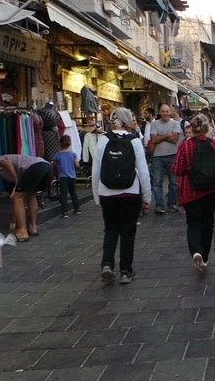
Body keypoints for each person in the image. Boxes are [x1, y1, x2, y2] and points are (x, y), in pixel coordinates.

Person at [91, 107, 151, 284]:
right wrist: (147, 197)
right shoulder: (134, 141)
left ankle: (107, 264)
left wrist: (97, 196)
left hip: (107, 193)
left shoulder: (103, 140)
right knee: (128, 231)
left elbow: (96, 170)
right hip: (130, 192)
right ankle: (125, 271)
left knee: (110, 229)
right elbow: (143, 170)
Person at [172, 113, 215, 273]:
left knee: (193, 223)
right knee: (207, 223)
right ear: (208, 128)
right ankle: (204, 259)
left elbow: (178, 170)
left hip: (192, 191)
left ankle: (196, 252)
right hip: (214, 192)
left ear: (192, 128)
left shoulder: (185, 146)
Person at [0, 154, 53, 242]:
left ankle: (22, 231)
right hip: (47, 167)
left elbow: (8, 164)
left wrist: (16, 183)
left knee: (17, 197)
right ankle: (33, 227)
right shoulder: (18, 167)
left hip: (37, 167)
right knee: (31, 195)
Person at [149, 103, 181, 214]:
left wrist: (160, 137)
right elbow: (153, 140)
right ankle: (159, 205)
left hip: (172, 155)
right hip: (158, 156)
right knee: (157, 182)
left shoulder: (175, 124)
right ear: (159, 112)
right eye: (163, 111)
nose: (165, 113)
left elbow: (175, 140)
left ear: (170, 112)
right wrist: (167, 135)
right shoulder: (154, 124)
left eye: (167, 111)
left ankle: (172, 204)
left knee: (174, 182)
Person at [52, 135, 81, 219]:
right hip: (72, 176)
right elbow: (77, 164)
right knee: (73, 193)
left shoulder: (57, 155)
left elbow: (53, 164)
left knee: (63, 194)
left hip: (62, 176)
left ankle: (65, 212)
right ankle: (77, 208)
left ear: (60, 143)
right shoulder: (73, 154)